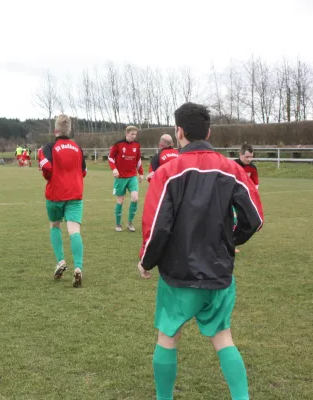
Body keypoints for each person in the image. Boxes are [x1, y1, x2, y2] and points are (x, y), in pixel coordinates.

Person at [137, 102, 264, 400]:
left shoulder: (168, 172)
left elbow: (157, 226)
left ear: (179, 132)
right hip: (218, 274)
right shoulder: (231, 168)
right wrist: (230, 241)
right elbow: (255, 218)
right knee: (224, 339)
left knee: (167, 338)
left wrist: (147, 261)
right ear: (208, 131)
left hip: (177, 277)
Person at [38, 114, 86, 288]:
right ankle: (78, 267)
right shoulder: (77, 147)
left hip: (55, 194)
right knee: (74, 231)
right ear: (69, 130)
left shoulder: (48, 147)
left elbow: (46, 167)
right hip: (75, 194)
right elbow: (84, 171)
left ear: (55, 130)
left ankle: (60, 261)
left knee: (55, 225)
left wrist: (49, 176)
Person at [108, 125, 144, 232]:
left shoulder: (137, 145)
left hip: (132, 176)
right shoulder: (118, 144)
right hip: (120, 177)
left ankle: (130, 223)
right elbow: (110, 158)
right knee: (120, 200)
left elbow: (138, 160)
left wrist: (141, 173)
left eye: (135, 134)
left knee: (135, 198)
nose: (134, 136)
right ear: (127, 133)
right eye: (132, 134)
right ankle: (118, 224)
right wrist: (114, 169)